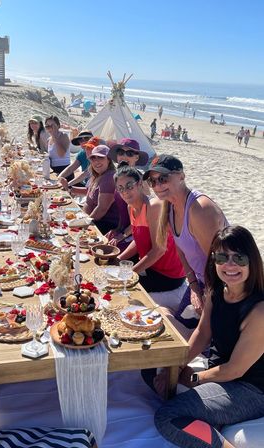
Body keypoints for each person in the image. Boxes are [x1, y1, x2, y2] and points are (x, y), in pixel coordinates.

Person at [154, 226, 264, 448]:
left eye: (239, 258)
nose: (230, 265)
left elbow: (235, 370)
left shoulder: (259, 310)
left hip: (249, 389)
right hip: (218, 372)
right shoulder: (217, 292)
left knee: (167, 417)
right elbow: (202, 334)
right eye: (222, 256)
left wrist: (194, 378)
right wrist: (176, 366)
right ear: (214, 260)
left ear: (251, 261)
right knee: (152, 370)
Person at [143, 154, 228, 328]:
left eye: (163, 178)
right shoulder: (170, 207)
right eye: (152, 182)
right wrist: (194, 284)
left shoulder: (200, 210)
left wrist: (203, 293)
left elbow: (219, 263)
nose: (157, 186)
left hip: (222, 286)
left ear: (181, 176)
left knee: (193, 341)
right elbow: (181, 249)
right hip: (200, 281)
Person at [115, 163, 185, 295]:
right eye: (120, 188)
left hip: (168, 274)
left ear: (140, 183)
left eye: (129, 186)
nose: (125, 191)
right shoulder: (131, 207)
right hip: (151, 266)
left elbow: (159, 249)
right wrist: (118, 258)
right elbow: (138, 240)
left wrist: (130, 274)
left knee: (117, 289)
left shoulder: (153, 206)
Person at [70, 145, 127, 235]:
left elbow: (102, 209)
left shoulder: (109, 177)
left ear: (108, 159)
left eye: (100, 157)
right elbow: (89, 197)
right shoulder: (97, 175)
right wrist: (69, 189)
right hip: (96, 220)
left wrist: (84, 224)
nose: (96, 161)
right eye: (93, 158)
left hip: (106, 226)